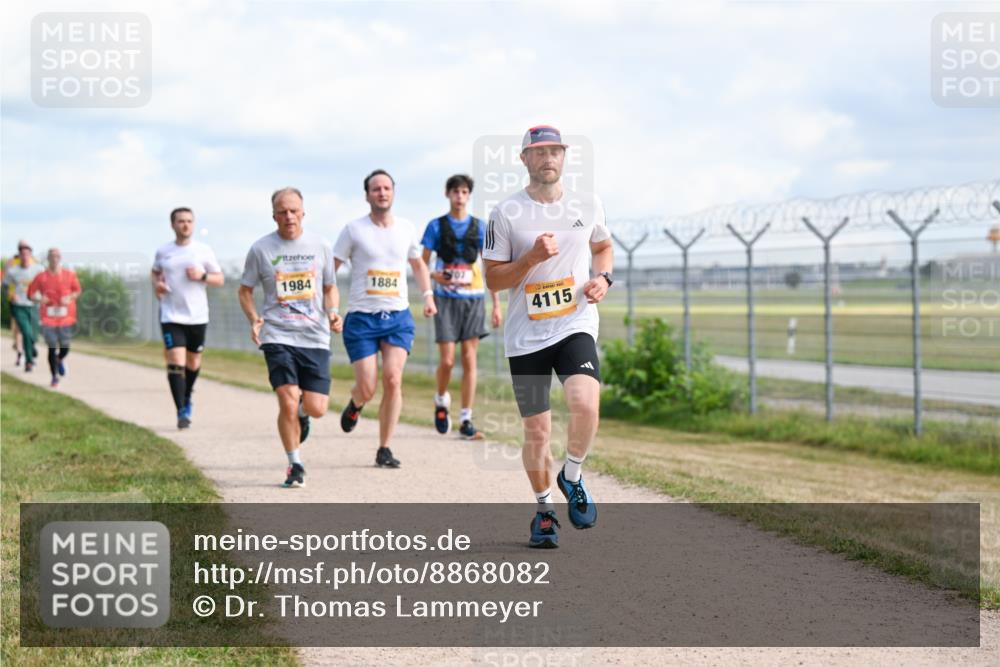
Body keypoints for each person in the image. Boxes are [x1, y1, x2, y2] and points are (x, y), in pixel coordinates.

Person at [483, 126, 614, 549]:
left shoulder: (587, 203)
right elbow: (493, 278)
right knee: (537, 432)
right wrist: (532, 258)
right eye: (539, 152)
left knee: (585, 402)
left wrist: (603, 279)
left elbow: (603, 246)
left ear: (564, 156)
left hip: (575, 323)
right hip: (526, 337)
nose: (548, 158)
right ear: (524, 159)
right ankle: (543, 511)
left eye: (555, 151)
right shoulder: (505, 213)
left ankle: (571, 475)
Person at [239, 187, 342, 488]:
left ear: (303, 213)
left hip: (314, 336)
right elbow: (245, 290)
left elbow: (329, 287)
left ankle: (302, 412)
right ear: (273, 215)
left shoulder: (321, 245)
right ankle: (294, 464)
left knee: (317, 408)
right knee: (285, 399)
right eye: (282, 211)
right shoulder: (261, 249)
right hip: (277, 334)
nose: (289, 216)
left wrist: (334, 311)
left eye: (294, 210)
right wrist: (254, 317)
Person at [335, 169, 436, 469]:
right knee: (367, 387)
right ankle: (356, 404)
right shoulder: (353, 230)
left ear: (393, 192)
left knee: (393, 379)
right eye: (376, 189)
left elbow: (417, 264)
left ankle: (384, 447)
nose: (382, 193)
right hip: (362, 318)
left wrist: (428, 295)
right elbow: (333, 266)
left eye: (387, 188)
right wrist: (328, 303)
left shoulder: (405, 228)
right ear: (367, 195)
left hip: (397, 316)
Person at [420, 174, 503, 440]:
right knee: (447, 360)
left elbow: (490, 266)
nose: (460, 196)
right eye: (455, 191)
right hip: (445, 299)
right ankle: (441, 399)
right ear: (448, 194)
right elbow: (421, 264)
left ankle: (466, 417)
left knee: (469, 358)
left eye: (464, 192)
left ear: (469, 196)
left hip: (473, 298)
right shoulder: (435, 226)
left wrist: (496, 304)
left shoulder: (480, 228)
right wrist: (433, 280)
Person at [151, 207, 225, 428]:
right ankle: (181, 411)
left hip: (197, 316)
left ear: (193, 224)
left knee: (193, 362)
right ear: (173, 224)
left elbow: (219, 278)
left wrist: (202, 276)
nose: (185, 225)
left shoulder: (203, 250)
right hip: (171, 315)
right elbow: (155, 272)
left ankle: (187, 394)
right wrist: (158, 285)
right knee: (176, 360)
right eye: (181, 221)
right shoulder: (164, 251)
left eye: (189, 221)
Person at [28, 248, 81, 387]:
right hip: (48, 318)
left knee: (65, 346)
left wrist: (69, 297)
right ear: (48, 258)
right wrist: (40, 298)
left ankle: (59, 359)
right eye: (51, 256)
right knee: (51, 346)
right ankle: (54, 376)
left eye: (57, 256)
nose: (54, 258)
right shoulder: (41, 277)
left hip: (65, 317)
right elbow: (31, 294)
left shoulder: (69, 275)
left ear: (60, 258)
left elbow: (77, 291)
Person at [2, 241, 44, 372]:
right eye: (22, 254)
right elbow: (5, 286)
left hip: (34, 304)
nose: (25, 256)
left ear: (30, 255)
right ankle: (29, 362)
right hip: (19, 305)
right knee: (25, 331)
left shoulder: (38, 269)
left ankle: (31, 347)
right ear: (19, 255)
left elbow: (45, 285)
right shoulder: (13, 271)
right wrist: (10, 294)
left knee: (34, 334)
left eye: (27, 253)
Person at [2, 252, 26, 366]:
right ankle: (20, 353)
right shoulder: (10, 264)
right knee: (17, 328)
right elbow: (4, 281)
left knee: (23, 329)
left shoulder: (31, 265)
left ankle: (21, 348)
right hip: (15, 300)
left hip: (29, 302)